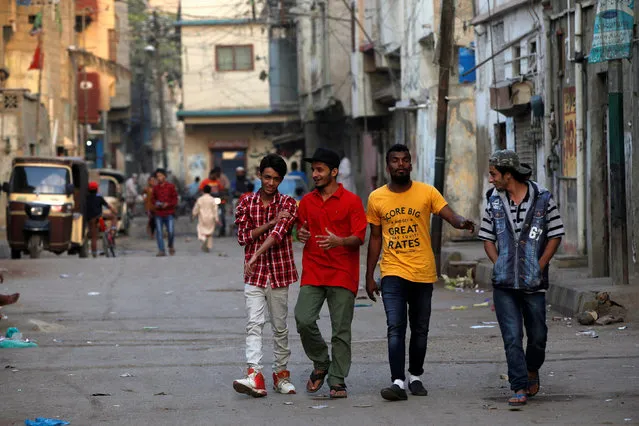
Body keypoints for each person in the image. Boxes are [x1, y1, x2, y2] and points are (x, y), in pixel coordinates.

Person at [365, 144, 475, 402]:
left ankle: (415, 376)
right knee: (395, 327)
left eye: (405, 160)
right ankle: (397, 382)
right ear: (388, 165)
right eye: (395, 160)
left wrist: (462, 222)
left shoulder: (426, 192)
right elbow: (375, 239)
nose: (400, 164)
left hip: (423, 272)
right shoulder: (376, 198)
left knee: (420, 329)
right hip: (392, 271)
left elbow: (449, 214)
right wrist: (369, 275)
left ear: (411, 164)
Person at [478, 150, 564, 407]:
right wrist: (499, 264)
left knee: (538, 337)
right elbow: (487, 238)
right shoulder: (493, 200)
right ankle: (518, 386)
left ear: (508, 174)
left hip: (533, 284)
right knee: (512, 337)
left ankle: (531, 369)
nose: (491, 179)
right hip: (504, 285)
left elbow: (556, 234)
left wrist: (538, 266)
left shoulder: (543, 198)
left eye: (494, 174)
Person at [295, 148, 367, 399]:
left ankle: (337, 380)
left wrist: (339, 241)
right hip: (313, 271)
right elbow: (300, 230)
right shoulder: (306, 201)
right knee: (303, 319)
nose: (314, 174)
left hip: (342, 273)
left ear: (334, 172)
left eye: (320, 169)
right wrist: (299, 234)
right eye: (313, 169)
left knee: (340, 330)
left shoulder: (352, 201)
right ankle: (321, 361)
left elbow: (360, 237)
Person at [233, 154, 299, 398]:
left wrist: (253, 254)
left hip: (279, 273)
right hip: (255, 275)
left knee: (280, 327)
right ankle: (254, 374)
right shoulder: (246, 202)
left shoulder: (289, 204)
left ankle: (281, 375)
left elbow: (278, 236)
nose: (271, 183)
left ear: (281, 180)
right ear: (259, 175)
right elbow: (243, 237)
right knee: (254, 324)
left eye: (276, 179)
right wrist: (272, 220)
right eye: (267, 177)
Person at [86, 181, 118, 258]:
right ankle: (112, 230)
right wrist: (114, 211)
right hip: (100, 218)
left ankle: (94, 255)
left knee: (94, 238)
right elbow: (108, 206)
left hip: (91, 220)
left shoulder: (86, 198)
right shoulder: (99, 197)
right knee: (113, 217)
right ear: (97, 189)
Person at [151, 168, 178, 257]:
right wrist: (157, 204)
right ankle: (161, 250)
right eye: (157, 176)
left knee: (170, 231)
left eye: (161, 176)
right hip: (158, 213)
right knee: (159, 232)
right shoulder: (155, 188)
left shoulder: (171, 187)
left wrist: (168, 204)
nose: (159, 178)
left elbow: (175, 199)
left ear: (165, 176)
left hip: (169, 212)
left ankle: (170, 245)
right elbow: (153, 199)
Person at [192, 184, 220, 253]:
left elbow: (196, 208)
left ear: (203, 191)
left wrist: (194, 214)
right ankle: (208, 246)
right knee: (209, 233)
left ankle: (203, 239)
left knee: (201, 230)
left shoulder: (200, 199)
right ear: (210, 191)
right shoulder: (212, 200)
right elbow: (215, 210)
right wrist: (216, 219)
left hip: (202, 217)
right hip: (211, 218)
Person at [143, 175, 157, 239]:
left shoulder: (157, 188)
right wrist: (145, 201)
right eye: (151, 181)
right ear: (148, 182)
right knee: (152, 219)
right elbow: (144, 197)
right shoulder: (146, 189)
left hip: (156, 207)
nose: (153, 182)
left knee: (156, 220)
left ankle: (150, 228)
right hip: (149, 207)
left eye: (154, 180)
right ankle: (152, 233)